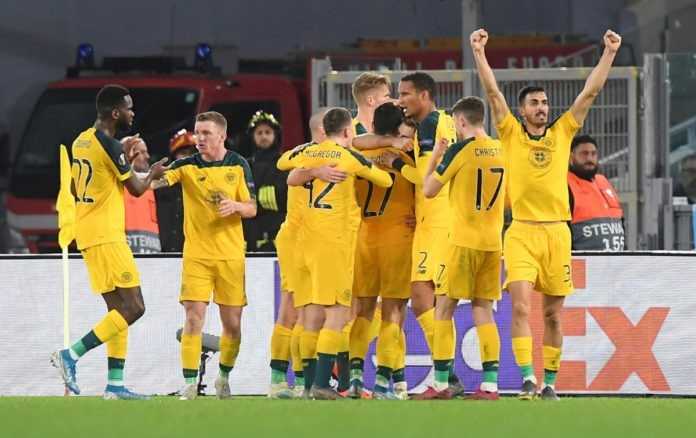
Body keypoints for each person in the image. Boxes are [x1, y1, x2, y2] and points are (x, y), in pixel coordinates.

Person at [471, 27, 622, 400]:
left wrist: (609, 53)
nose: (542, 108)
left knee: (553, 315)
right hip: (522, 232)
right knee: (521, 307)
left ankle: (550, 383)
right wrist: (478, 52)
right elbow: (493, 93)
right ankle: (526, 378)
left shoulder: (563, 133)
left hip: (557, 233)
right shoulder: (509, 132)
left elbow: (590, 93)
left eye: (544, 103)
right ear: (522, 110)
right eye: (534, 103)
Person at [51, 84, 168, 400]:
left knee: (117, 311)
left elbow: (91, 179)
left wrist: (122, 157)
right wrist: (153, 171)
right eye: (128, 108)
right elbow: (137, 189)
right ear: (115, 113)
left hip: (88, 233)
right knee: (135, 307)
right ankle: (71, 354)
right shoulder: (110, 145)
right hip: (107, 236)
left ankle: (115, 385)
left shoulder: (82, 140)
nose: (132, 113)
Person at [281, 107, 393, 400]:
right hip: (334, 244)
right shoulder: (349, 157)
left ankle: (307, 386)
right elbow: (386, 181)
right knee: (337, 314)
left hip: (305, 243)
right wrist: (374, 162)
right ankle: (321, 384)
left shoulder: (308, 152)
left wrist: (311, 170)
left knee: (310, 316)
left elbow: (284, 164)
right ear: (346, 131)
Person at [153, 111, 257, 400]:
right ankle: (189, 384)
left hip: (230, 256)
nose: (199, 138)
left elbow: (252, 207)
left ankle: (223, 376)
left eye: (206, 133)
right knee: (193, 317)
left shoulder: (238, 164)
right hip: (196, 256)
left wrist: (236, 206)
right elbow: (154, 183)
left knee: (232, 325)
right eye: (197, 132)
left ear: (222, 135)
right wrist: (141, 173)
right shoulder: (186, 165)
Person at [380, 72, 460, 397]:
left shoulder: (430, 126)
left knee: (427, 298)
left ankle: (446, 376)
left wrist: (395, 164)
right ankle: (447, 375)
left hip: (438, 221)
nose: (400, 101)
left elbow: (427, 177)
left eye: (405, 94)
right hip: (436, 219)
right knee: (429, 300)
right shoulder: (442, 123)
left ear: (424, 95)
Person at [423, 96, 505, 400]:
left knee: (443, 309)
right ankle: (491, 385)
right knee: (483, 310)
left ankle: (441, 384)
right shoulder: (501, 149)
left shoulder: (460, 150)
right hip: (492, 243)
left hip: (462, 242)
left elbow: (429, 190)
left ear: (461, 121)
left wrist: (436, 156)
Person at [269, 108, 343, 398]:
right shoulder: (308, 154)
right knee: (296, 310)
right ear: (324, 131)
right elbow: (284, 166)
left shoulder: (322, 155)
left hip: (311, 240)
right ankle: (283, 380)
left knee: (308, 312)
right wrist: (313, 171)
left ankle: (300, 382)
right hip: (298, 239)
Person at [348, 102, 417, 400]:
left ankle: (354, 378)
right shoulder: (406, 156)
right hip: (397, 237)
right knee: (393, 312)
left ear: (374, 125)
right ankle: (381, 383)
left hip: (365, 237)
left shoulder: (359, 154)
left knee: (363, 310)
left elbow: (354, 141)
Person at [568, 134, 625, 251]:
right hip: (582, 260)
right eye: (584, 154)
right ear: (571, 156)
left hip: (616, 259)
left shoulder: (604, 182)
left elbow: (620, 221)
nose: (589, 158)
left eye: (593, 154)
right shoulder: (566, 184)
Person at [243, 111, 288, 252]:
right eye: (259, 133)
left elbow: (289, 196)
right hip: (251, 231)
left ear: (275, 135)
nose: (264, 136)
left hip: (279, 229)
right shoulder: (244, 165)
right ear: (253, 137)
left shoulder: (285, 163)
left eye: (268, 132)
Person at [156, 129, 197, 252]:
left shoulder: (207, 188)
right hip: (158, 254)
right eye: (183, 153)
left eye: (193, 153)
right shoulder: (159, 187)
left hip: (193, 255)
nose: (188, 158)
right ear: (173, 158)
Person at [122, 136, 161, 253]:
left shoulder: (151, 186)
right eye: (142, 152)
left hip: (154, 255)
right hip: (125, 254)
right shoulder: (114, 183)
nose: (147, 156)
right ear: (129, 153)